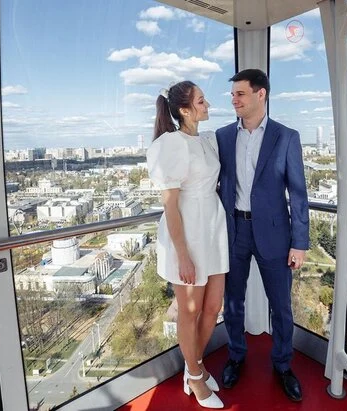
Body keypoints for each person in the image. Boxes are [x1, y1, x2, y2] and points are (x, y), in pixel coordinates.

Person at [215, 69, 309, 402]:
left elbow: (298, 194)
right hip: (234, 231)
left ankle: (283, 365)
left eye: (240, 93)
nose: (234, 100)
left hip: (275, 234)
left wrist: (300, 243)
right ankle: (236, 356)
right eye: (232, 95)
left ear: (261, 94)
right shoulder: (223, 136)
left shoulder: (286, 137)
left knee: (281, 306)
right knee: (233, 302)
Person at [146, 81, 227, 409]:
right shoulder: (172, 144)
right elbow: (170, 205)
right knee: (189, 311)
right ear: (184, 110)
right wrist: (183, 255)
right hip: (188, 231)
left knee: (213, 307)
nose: (208, 105)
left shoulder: (206, 140)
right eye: (201, 101)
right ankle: (194, 376)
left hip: (213, 227)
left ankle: (196, 365)